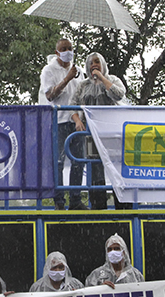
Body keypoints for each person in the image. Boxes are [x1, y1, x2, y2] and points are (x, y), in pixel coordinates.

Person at [70, 52, 127, 210]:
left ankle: (123, 206)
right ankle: (98, 206)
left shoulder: (113, 79)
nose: (94, 65)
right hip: (92, 134)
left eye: (97, 62)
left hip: (114, 134)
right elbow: (72, 105)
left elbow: (119, 94)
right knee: (95, 169)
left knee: (117, 168)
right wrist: (77, 120)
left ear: (103, 64)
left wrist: (102, 78)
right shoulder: (83, 85)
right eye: (91, 63)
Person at [39, 39, 88, 211]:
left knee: (78, 161)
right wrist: (67, 78)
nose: (67, 51)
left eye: (70, 49)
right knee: (58, 162)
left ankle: (75, 199)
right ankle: (59, 201)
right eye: (63, 49)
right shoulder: (49, 70)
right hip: (58, 121)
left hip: (77, 122)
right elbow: (50, 95)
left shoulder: (79, 71)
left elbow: (82, 94)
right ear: (57, 51)